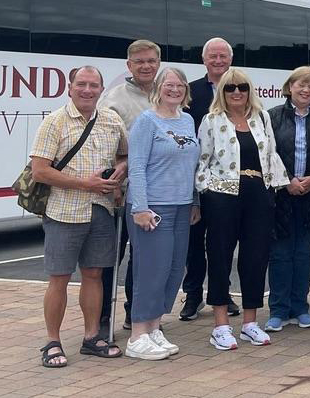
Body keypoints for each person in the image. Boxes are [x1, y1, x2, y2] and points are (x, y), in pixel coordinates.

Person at [32, 66, 128, 367]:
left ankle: (91, 337)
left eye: (94, 85)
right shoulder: (54, 122)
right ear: (70, 88)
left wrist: (119, 173)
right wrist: (86, 183)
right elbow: (40, 171)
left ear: (101, 90)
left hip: (101, 211)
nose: (88, 90)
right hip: (64, 212)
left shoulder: (112, 120)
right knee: (59, 278)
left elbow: (123, 155)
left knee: (94, 274)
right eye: (82, 84)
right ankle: (52, 342)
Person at [195, 68, 289, 350]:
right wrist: (209, 191)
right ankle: (221, 326)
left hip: (258, 194)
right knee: (220, 256)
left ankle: (250, 323)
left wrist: (275, 187)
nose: (237, 92)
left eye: (243, 87)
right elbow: (202, 161)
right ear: (222, 92)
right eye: (230, 88)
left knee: (256, 257)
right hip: (223, 196)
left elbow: (271, 154)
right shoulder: (211, 121)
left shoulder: (261, 118)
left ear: (250, 91)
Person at [123, 67, 199, 360]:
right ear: (159, 88)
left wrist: (195, 202)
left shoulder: (188, 120)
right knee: (150, 271)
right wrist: (140, 208)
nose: (175, 89)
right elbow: (137, 166)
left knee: (173, 270)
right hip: (153, 206)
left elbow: (190, 166)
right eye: (169, 84)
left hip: (182, 206)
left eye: (180, 85)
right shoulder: (147, 121)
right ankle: (137, 334)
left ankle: (154, 328)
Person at [98, 39, 161, 335]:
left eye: (151, 60)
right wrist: (117, 180)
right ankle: (101, 319)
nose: (146, 66)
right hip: (120, 192)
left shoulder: (166, 96)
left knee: (143, 259)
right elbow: (103, 146)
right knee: (111, 257)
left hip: (154, 193)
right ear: (129, 66)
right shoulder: (114, 99)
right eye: (140, 62)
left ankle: (134, 313)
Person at [265, 67, 310, 333]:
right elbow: (268, 154)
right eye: (300, 85)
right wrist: (287, 180)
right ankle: (278, 310)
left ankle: (300, 307)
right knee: (280, 253)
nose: (306, 90)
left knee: (304, 253)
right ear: (289, 86)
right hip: (282, 194)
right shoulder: (272, 117)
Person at [181, 37, 239, 321]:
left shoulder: (240, 90)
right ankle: (192, 296)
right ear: (204, 60)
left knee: (222, 242)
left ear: (230, 59)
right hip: (195, 180)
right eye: (213, 56)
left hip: (226, 184)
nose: (218, 61)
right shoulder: (191, 93)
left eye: (223, 56)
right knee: (194, 242)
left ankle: (222, 294)